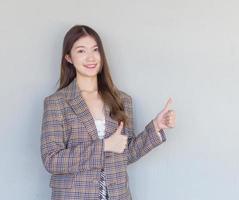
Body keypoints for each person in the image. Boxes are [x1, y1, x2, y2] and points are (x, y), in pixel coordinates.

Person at [40, 24, 176, 200]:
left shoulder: (122, 100)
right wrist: (104, 146)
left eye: (95, 50)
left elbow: (126, 153)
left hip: (118, 195)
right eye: (81, 51)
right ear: (68, 58)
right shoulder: (56, 103)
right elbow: (52, 160)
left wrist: (156, 127)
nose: (90, 57)